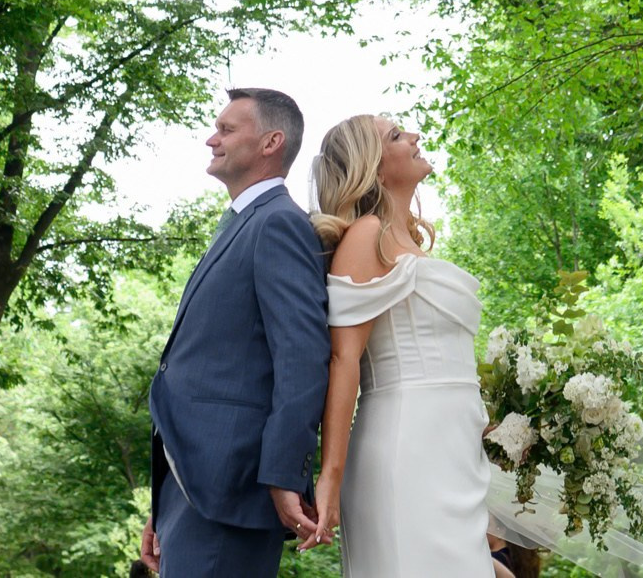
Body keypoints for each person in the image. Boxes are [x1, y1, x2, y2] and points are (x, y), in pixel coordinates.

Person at [142, 87, 329, 578]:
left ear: (271, 142)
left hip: (234, 486)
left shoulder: (280, 225)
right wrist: (161, 507)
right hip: (191, 486)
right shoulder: (240, 225)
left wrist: (285, 474)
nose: (211, 139)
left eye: (226, 129)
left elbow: (303, 359)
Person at [308, 114, 501, 578]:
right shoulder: (366, 235)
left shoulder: (409, 242)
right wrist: (329, 476)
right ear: (371, 166)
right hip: (406, 450)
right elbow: (344, 358)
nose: (415, 137)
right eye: (397, 135)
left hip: (455, 451)